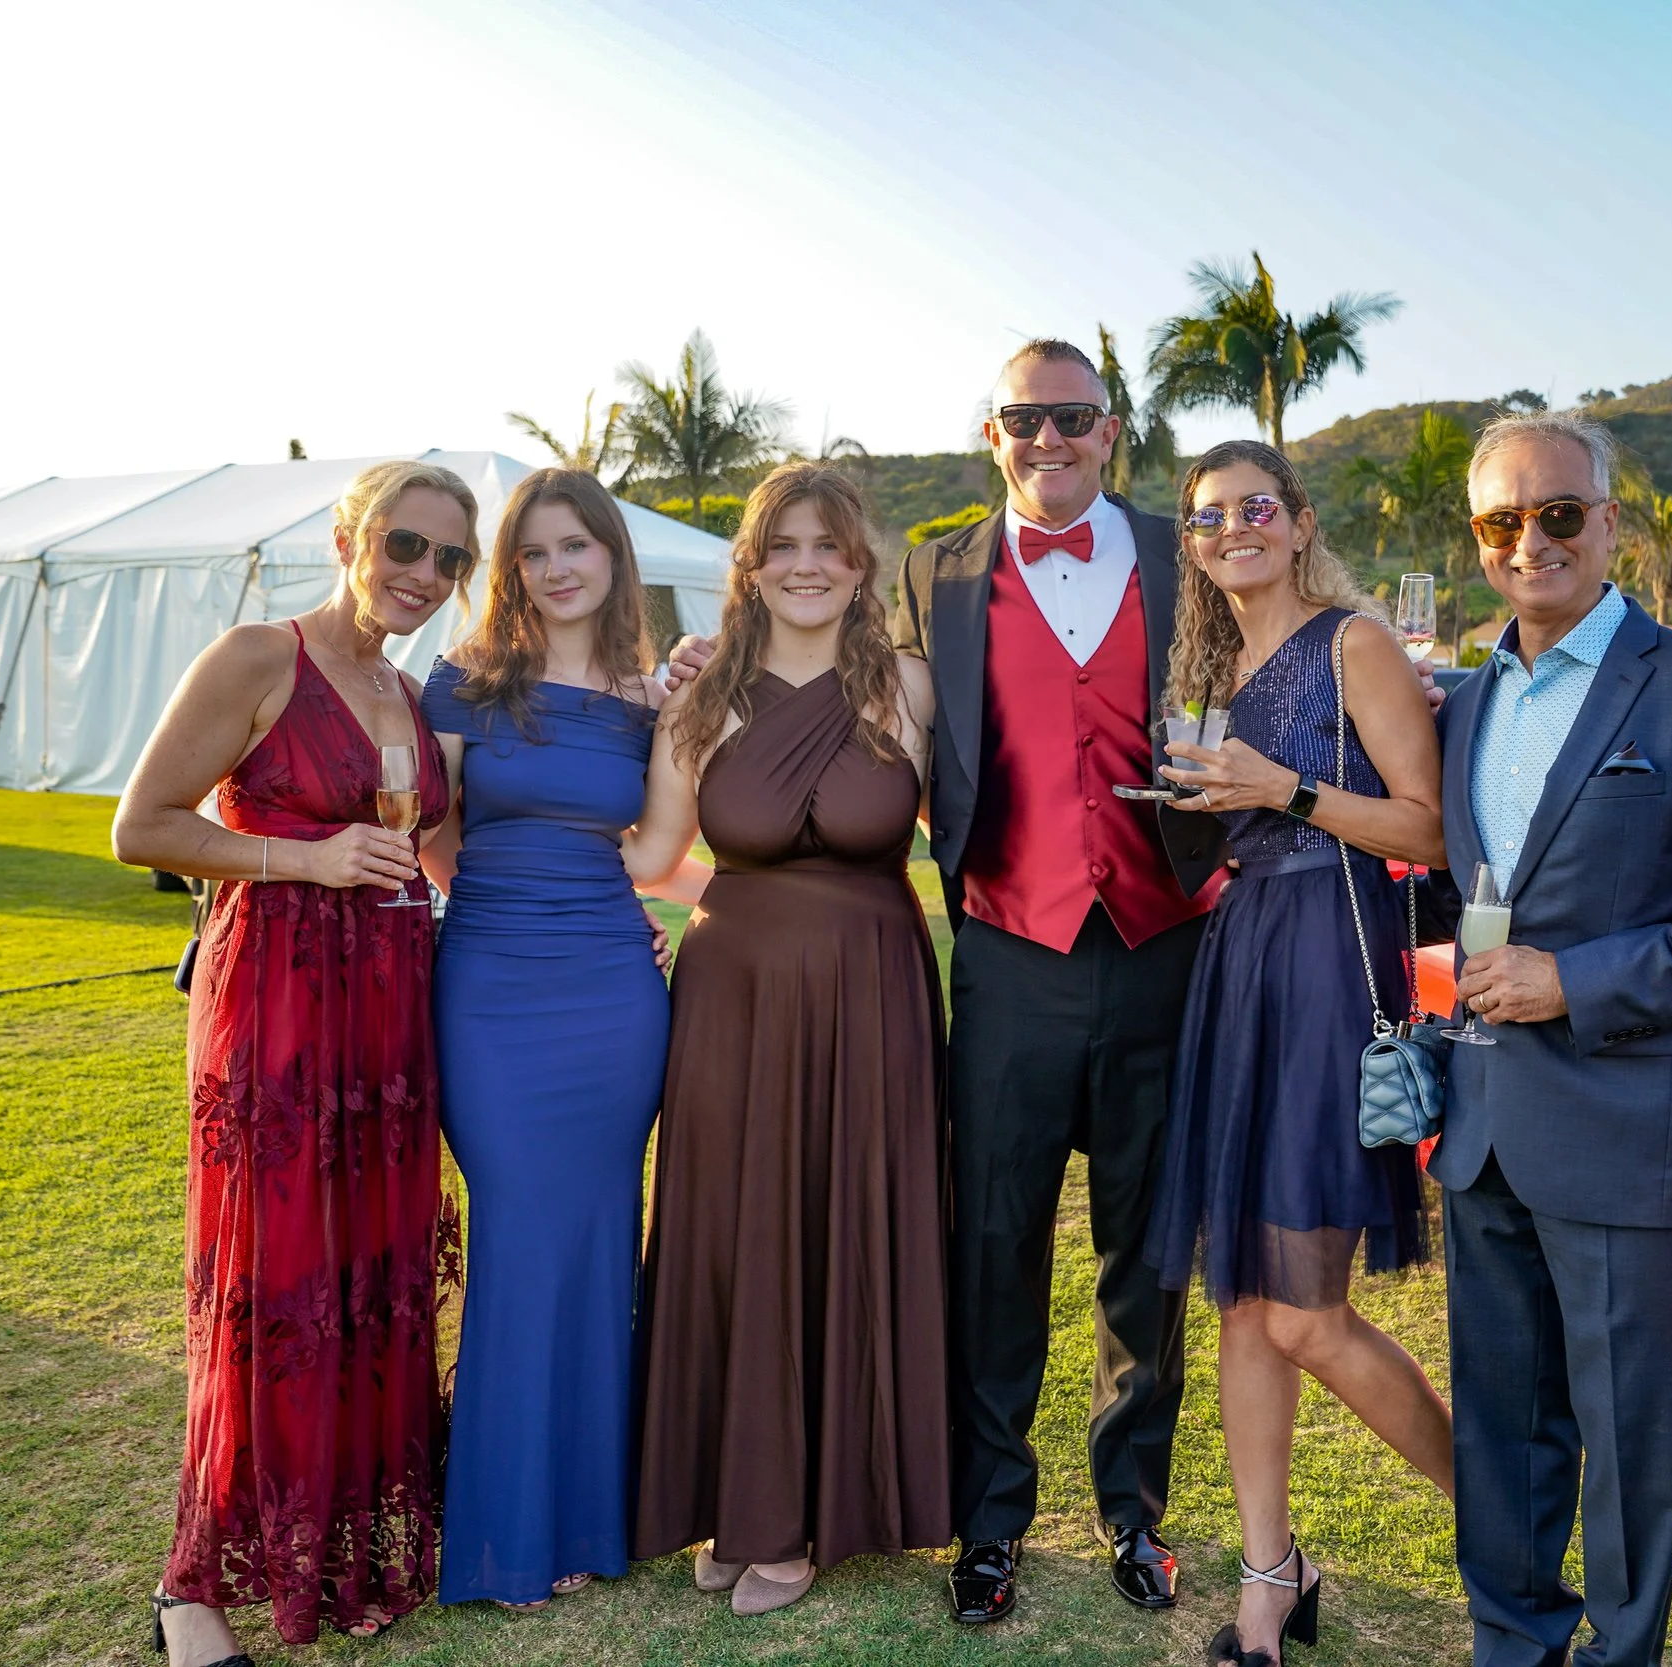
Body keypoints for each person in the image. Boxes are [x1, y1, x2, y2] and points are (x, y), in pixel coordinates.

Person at [1421, 410, 1672, 1667]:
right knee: (1501, 1426)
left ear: (1607, 521)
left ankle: (1621, 1653)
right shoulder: (1462, 702)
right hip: (1486, 1131)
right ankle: (1512, 1641)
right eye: (1502, 521)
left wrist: (1573, 979)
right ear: (1479, 540)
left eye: (1557, 514)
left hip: (1632, 1128)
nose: (1530, 542)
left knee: (1629, 1443)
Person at [113, 459, 479, 1666]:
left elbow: (429, 852)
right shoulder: (258, 658)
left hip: (387, 1010)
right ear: (346, 535)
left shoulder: (407, 689)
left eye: (449, 559)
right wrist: (303, 861)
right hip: (272, 996)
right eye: (404, 545)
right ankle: (194, 1588)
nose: (423, 574)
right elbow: (144, 824)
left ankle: (347, 1536)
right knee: (271, 1280)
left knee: (367, 1267)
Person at [900, 340, 1227, 1624]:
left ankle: (1132, 1511)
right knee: (996, 1243)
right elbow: (885, 708)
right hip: (1007, 947)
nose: (1049, 438)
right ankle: (990, 1519)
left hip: (1164, 944)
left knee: (1146, 1254)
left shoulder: (1179, 549)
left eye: (1072, 416)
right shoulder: (935, 569)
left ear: (1109, 431)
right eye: (1024, 418)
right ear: (992, 433)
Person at [1144, 439, 1455, 1667]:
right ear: (1192, 542)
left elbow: (1427, 828)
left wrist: (1285, 789)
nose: (1234, 528)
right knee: (1241, 1296)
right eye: (1209, 515)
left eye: (1255, 506)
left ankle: (1499, 1522)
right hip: (1244, 959)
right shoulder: (1219, 665)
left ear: (1298, 519)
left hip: (1332, 961)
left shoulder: (1351, 641)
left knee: (1306, 1312)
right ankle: (1271, 1578)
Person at [628, 461, 948, 1617]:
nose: (806, 564)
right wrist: (483, 853)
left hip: (873, 991)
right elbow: (656, 853)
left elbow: (987, 816)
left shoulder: (908, 686)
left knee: (841, 1218)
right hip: (731, 991)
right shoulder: (699, 696)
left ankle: (809, 1515)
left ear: (859, 563)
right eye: (782, 545)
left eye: (829, 544)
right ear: (750, 566)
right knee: (729, 1227)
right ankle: (734, 1495)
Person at [416, 467, 694, 1611]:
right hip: (488, 986)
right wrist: (511, 903)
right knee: (519, 1231)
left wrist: (644, 918)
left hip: (611, 992)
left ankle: (593, 1513)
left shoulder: (653, 696)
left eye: (579, 544)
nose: (560, 566)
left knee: (595, 1235)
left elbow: (655, 853)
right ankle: (505, 1524)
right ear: (512, 569)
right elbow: (434, 836)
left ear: (613, 556)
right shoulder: (463, 682)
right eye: (537, 551)